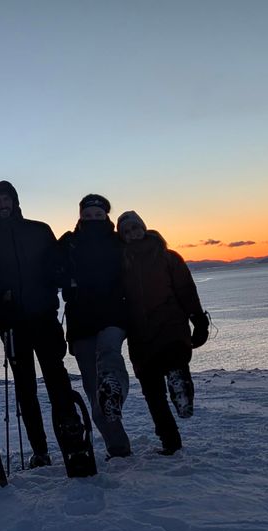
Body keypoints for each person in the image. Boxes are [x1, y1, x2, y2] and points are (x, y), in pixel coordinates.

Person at [0, 180, 79, 468]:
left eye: (6, 200)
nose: (3, 205)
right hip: (13, 324)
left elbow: (59, 267)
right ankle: (40, 450)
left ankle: (72, 440)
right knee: (25, 387)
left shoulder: (40, 230)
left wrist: (65, 277)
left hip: (45, 317)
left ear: (15, 202)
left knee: (57, 378)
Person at [117, 210, 210, 455]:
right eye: (126, 231)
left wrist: (198, 320)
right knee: (152, 392)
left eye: (135, 228)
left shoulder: (167, 257)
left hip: (170, 325)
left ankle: (181, 388)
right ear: (122, 236)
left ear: (144, 227)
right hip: (140, 334)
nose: (133, 234)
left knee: (175, 362)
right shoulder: (121, 263)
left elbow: (186, 290)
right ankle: (170, 441)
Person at [56, 194, 133, 459]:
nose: (92, 219)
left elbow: (137, 266)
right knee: (92, 385)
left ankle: (114, 392)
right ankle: (118, 446)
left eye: (98, 215)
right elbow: (50, 269)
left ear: (106, 216)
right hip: (80, 319)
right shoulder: (69, 242)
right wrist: (66, 280)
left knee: (110, 358)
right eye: (87, 215)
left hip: (113, 314)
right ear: (80, 216)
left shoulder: (117, 241)